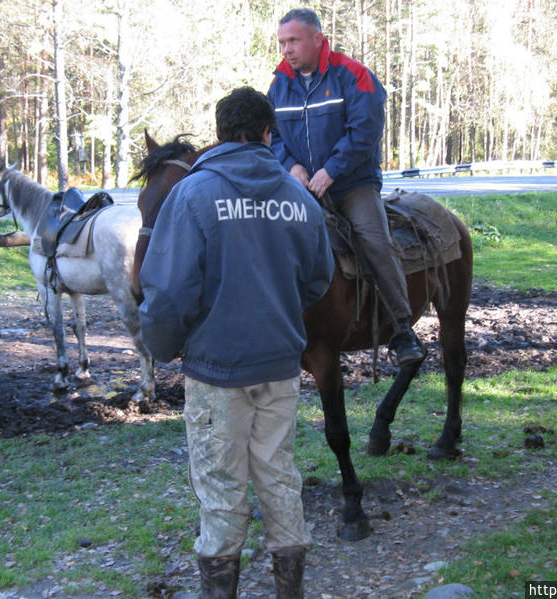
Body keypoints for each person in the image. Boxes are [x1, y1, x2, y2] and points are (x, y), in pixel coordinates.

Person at [138, 87, 334, 599]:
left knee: (221, 490)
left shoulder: (192, 196)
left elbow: (167, 295)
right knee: (280, 479)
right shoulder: (299, 200)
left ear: (220, 133)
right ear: (269, 134)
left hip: (216, 374)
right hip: (280, 370)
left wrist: (163, 347)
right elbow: (318, 280)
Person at [267, 8, 425, 366]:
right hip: (302, 186)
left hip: (352, 183)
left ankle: (402, 328)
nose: (286, 49)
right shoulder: (279, 84)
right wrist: (291, 165)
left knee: (373, 240)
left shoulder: (354, 75)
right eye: (281, 42)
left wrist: (331, 171)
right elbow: (272, 134)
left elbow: (365, 130)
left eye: (293, 40)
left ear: (317, 39)